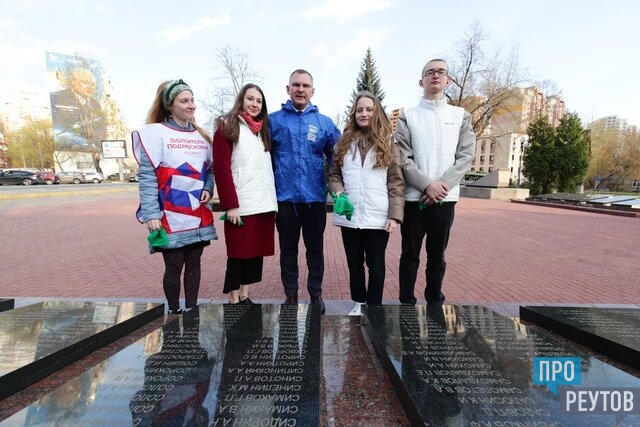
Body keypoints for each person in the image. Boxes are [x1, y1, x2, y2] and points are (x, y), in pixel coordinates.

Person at [132, 79, 217, 314]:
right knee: (174, 265)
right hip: (169, 215)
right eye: (184, 101)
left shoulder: (202, 136)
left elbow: (210, 170)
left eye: (192, 100)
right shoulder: (154, 134)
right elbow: (147, 177)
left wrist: (208, 188)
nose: (191, 105)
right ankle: (173, 311)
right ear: (170, 105)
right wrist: (151, 214)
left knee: (194, 264)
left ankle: (191, 309)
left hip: (197, 213)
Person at [395, 59, 476, 305]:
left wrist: (441, 186)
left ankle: (434, 301)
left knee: (437, 255)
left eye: (441, 72)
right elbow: (403, 157)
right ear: (421, 81)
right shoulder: (408, 116)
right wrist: (425, 185)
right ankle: (406, 302)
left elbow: (465, 156)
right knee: (409, 254)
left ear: (448, 80)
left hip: (444, 199)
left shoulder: (460, 116)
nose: (435, 76)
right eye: (430, 72)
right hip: (414, 199)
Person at [269, 69, 341, 314]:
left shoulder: (324, 123)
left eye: (305, 85)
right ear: (287, 89)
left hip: (314, 201)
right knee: (288, 251)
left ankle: (315, 294)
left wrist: (336, 187)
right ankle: (290, 294)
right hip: (285, 200)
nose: (301, 89)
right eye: (296, 85)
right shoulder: (273, 121)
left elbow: (337, 157)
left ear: (313, 91)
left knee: (315, 251)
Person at [327, 91, 405, 316]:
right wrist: (339, 193)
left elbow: (396, 181)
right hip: (349, 215)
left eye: (369, 109)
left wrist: (394, 215)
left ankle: (374, 306)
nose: (364, 114)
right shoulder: (342, 143)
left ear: (376, 112)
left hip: (377, 216)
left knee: (376, 265)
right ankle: (359, 303)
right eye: (359, 110)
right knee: (354, 264)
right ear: (354, 113)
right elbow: (334, 175)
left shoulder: (389, 144)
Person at [213, 84, 277, 305]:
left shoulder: (262, 131)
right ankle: (233, 298)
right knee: (238, 254)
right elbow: (221, 169)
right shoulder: (227, 128)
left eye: (259, 101)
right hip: (241, 205)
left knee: (254, 254)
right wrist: (230, 204)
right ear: (241, 99)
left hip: (263, 203)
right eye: (250, 99)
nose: (254, 104)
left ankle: (245, 295)